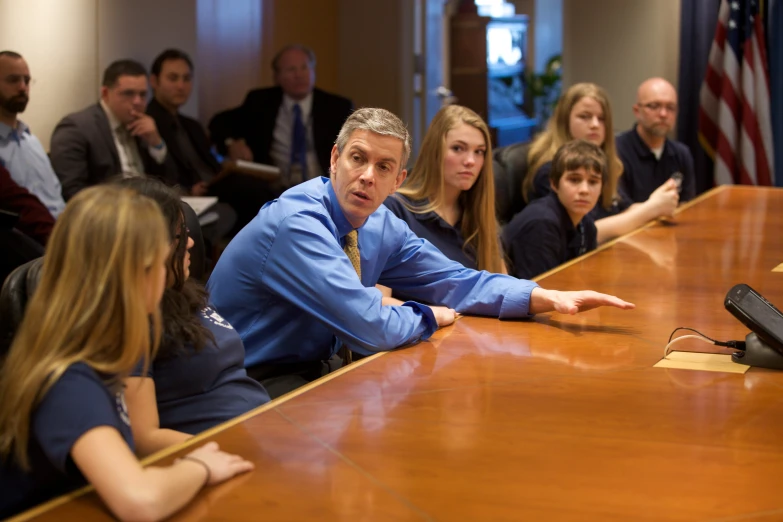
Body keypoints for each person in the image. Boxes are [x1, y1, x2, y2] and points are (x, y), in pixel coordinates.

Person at [206, 108, 634, 398]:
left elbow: (455, 280)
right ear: (335, 159)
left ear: (399, 180)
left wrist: (544, 297)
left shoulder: (380, 225)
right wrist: (431, 315)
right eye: (358, 158)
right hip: (247, 379)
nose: (367, 177)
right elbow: (367, 325)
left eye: (384, 167)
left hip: (311, 368)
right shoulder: (298, 223)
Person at [0, 185, 253, 520]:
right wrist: (200, 465)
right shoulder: (69, 377)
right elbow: (140, 500)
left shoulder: (94, 353)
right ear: (135, 275)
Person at [118, 178, 269, 457]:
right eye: (177, 235)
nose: (189, 243)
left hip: (262, 428)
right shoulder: (132, 318)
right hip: (217, 454)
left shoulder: (184, 291)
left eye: (186, 230)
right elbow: (143, 438)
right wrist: (233, 449)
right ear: (144, 246)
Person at [523, 82, 679, 244]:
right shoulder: (551, 170)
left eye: (602, 119)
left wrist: (657, 202)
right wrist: (651, 208)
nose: (595, 125)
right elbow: (585, 234)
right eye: (585, 116)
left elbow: (624, 209)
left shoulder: (605, 164)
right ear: (564, 120)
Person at [147, 49, 273, 232]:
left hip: (214, 185)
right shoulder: (149, 124)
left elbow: (211, 164)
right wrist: (187, 190)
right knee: (252, 191)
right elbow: (156, 171)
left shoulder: (191, 124)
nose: (181, 86)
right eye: (173, 78)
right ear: (154, 81)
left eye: (186, 79)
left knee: (258, 186)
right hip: (190, 192)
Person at [210, 44, 354, 187]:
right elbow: (218, 123)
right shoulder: (260, 101)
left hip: (324, 185)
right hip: (273, 187)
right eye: (291, 69)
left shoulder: (337, 107)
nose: (299, 75)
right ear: (277, 76)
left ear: (313, 71)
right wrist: (231, 144)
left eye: (304, 67)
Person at [383, 105, 505, 273]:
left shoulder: (478, 215)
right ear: (435, 151)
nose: (470, 160)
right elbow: (381, 298)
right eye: (458, 148)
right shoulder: (395, 209)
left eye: (479, 151)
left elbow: (505, 287)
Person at [50, 60, 177, 200]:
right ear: (105, 93)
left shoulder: (144, 126)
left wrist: (156, 143)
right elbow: (72, 191)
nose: (137, 102)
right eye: (128, 93)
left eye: (142, 95)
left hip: (150, 210)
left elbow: (170, 182)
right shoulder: (76, 128)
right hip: (108, 215)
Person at [503, 140, 605, 279]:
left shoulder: (587, 226)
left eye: (593, 182)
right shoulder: (542, 224)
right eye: (574, 180)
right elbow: (539, 290)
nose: (584, 190)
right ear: (554, 184)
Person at [0, 50, 65, 218]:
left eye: (26, 81)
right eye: (13, 80)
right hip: (29, 240)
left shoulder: (31, 141)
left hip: (62, 231)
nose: (22, 87)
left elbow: (56, 200)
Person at [615, 77, 696, 203]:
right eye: (654, 106)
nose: (663, 114)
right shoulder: (616, 150)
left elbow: (687, 205)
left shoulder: (681, 154)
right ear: (637, 111)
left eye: (670, 107)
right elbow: (620, 208)